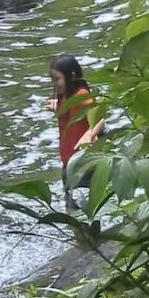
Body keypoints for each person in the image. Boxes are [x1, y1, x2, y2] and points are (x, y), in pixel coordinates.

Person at [47, 54, 105, 212]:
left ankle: (85, 236)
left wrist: (90, 134)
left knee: (79, 211)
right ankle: (79, 236)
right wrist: (57, 106)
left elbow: (100, 118)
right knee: (71, 211)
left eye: (57, 79)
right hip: (69, 162)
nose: (54, 84)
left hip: (82, 164)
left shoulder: (81, 95)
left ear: (71, 76)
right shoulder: (66, 96)